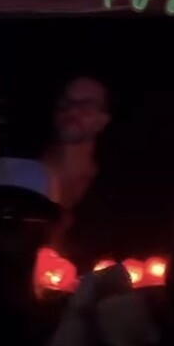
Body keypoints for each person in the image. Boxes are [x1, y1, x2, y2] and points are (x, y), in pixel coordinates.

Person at [42, 76, 110, 257]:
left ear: (102, 120)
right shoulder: (24, 175)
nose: (72, 111)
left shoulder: (108, 191)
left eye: (86, 106)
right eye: (66, 102)